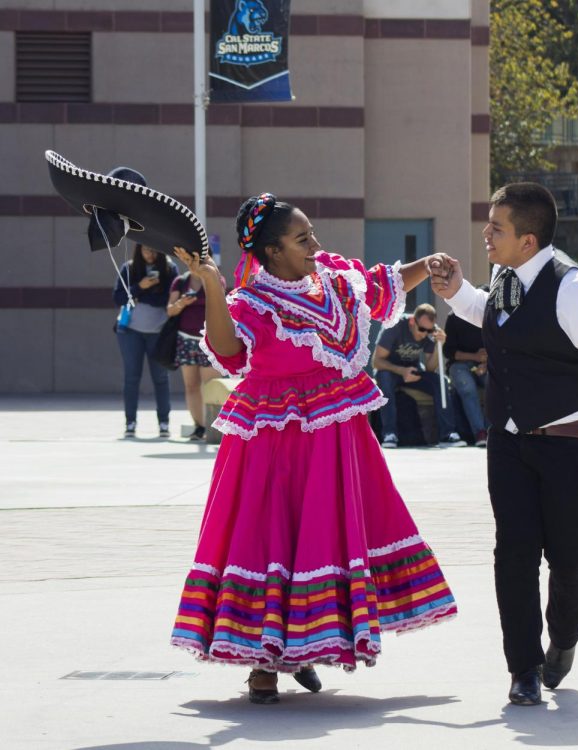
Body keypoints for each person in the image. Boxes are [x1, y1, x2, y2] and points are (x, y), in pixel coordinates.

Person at [169, 193, 457, 704]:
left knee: (325, 538)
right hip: (272, 444)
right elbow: (230, 351)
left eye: (312, 235)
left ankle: (300, 647)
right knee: (270, 540)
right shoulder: (250, 302)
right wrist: (211, 281)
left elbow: (378, 285)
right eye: (303, 239)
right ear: (272, 251)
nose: (315, 244)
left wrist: (426, 264)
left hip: (336, 437)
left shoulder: (333, 279)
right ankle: (263, 663)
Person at [430, 182, 578, 706]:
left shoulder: (573, 289)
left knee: (569, 558)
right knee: (513, 554)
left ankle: (562, 642)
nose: (486, 234)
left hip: (573, 445)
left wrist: (565, 385)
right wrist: (458, 292)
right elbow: (495, 316)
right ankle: (522, 669)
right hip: (509, 443)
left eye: (496, 227)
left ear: (528, 240)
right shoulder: (505, 275)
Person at [372, 304, 467, 448]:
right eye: (422, 329)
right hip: (390, 371)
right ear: (412, 321)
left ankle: (448, 434)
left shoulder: (430, 333)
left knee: (439, 381)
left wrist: (438, 345)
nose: (424, 334)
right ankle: (389, 434)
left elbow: (430, 367)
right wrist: (401, 371)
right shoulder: (394, 326)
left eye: (429, 330)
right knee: (384, 378)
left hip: (413, 373)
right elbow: (376, 362)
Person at [113, 243, 178, 438]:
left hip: (158, 331)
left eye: (154, 249)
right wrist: (140, 287)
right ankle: (130, 422)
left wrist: (143, 296)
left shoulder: (169, 268)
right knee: (131, 378)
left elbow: (169, 300)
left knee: (161, 378)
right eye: (146, 249)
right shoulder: (130, 268)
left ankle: (164, 423)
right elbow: (118, 297)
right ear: (139, 250)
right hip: (130, 331)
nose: (150, 253)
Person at [166, 268, 225, 441]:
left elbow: (221, 303)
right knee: (191, 385)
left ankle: (213, 426)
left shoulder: (216, 279)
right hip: (186, 339)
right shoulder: (181, 281)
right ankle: (199, 426)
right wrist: (181, 303)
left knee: (211, 385)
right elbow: (170, 310)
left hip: (210, 339)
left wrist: (208, 280)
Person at [444, 304, 488, 446]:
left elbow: (499, 347)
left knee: (495, 384)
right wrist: (475, 357)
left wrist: (487, 364)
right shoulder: (453, 317)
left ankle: (493, 431)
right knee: (467, 387)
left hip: (485, 365)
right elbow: (449, 352)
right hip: (459, 365)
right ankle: (480, 432)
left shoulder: (490, 316)